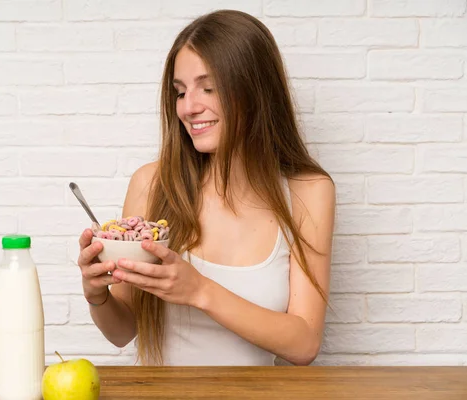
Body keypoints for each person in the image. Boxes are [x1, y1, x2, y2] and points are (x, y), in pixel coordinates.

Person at [77, 9, 335, 367]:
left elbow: (304, 343)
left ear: (255, 91)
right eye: (180, 92)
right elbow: (123, 332)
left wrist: (199, 290)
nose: (188, 107)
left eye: (208, 88)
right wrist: (97, 296)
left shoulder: (308, 192)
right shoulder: (151, 184)